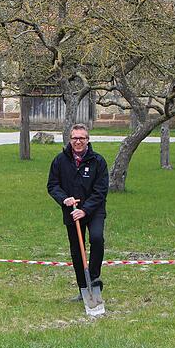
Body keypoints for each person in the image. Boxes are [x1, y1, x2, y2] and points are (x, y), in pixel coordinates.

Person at [47, 123, 109, 301]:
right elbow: (52, 185)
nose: (78, 141)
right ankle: (84, 288)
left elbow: (101, 190)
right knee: (76, 250)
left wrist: (85, 210)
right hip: (72, 211)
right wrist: (64, 199)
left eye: (82, 138)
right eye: (75, 138)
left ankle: (94, 278)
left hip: (94, 210)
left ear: (88, 140)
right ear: (70, 139)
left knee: (97, 238)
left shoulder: (98, 161)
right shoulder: (60, 160)